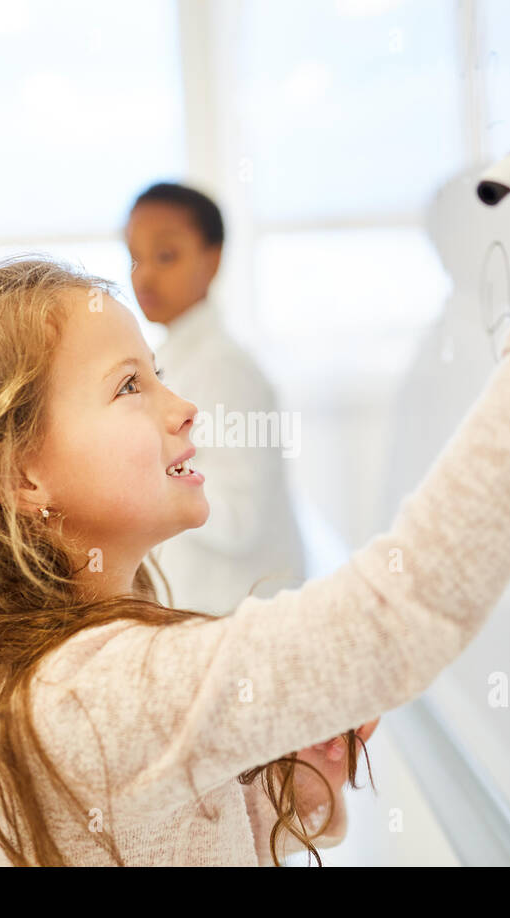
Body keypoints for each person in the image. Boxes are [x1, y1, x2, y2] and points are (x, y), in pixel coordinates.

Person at [0, 79, 510, 866]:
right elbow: (404, 605)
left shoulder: (57, 679)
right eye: (129, 386)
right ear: (17, 477)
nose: (183, 408)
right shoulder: (82, 696)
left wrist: (291, 783)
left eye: (159, 372)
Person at [124, 182, 307, 615]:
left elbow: (240, 518)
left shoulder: (226, 370)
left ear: (213, 258)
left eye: (166, 256)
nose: (144, 275)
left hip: (233, 612)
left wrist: (136, 482)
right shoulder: (168, 357)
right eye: (134, 257)